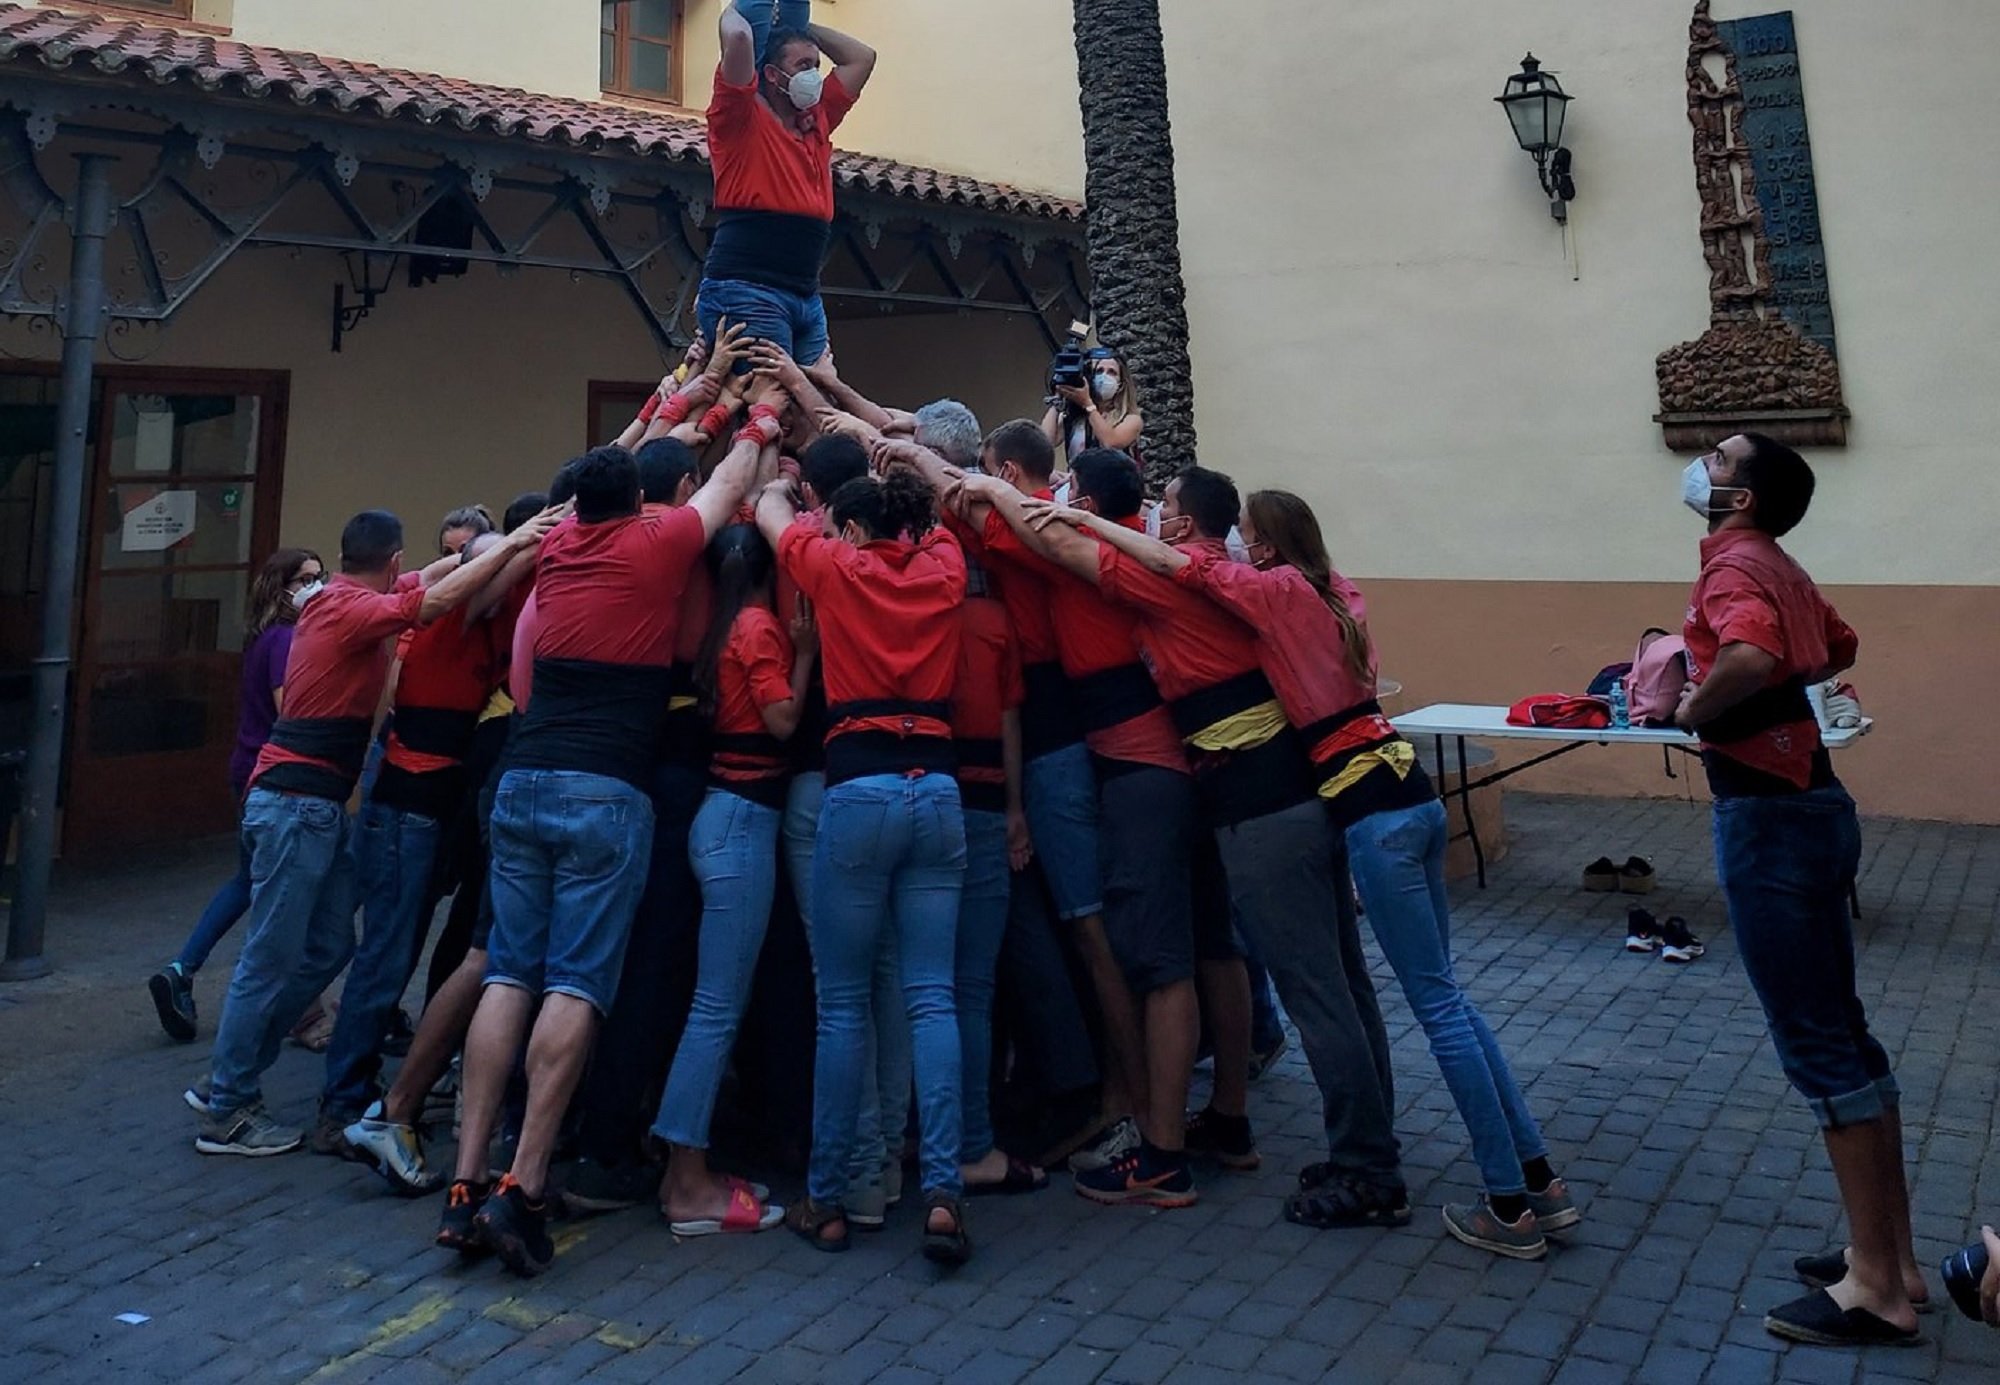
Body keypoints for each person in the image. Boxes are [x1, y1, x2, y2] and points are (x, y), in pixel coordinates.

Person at [1063, 481, 1576, 1252]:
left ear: (1262, 547)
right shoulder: (1337, 590)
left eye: (1242, 534)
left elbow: (1173, 566)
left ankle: (1427, 1180)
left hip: (1349, 806)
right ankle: (1512, 1175)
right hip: (1392, 789)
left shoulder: (1267, 592)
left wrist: (1070, 514)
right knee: (1376, 986)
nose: (1231, 544)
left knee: (1384, 1000)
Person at [976, 460, 1410, 1216]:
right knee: (1337, 978)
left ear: (1182, 525)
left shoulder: (1191, 581)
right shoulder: (1298, 586)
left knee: (1313, 992)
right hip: (1309, 796)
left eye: (1166, 504)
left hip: (1258, 807)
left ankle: (1358, 1167)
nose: (1156, 511)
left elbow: (1070, 545)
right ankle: (1360, 1142)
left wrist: (986, 489)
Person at [445, 397, 773, 1278]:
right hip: (605, 788)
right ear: (641, 506)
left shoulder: (551, 543)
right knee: (580, 983)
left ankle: (466, 1179)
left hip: (521, 774)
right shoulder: (656, 542)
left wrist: (675, 401)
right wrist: (761, 416)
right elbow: (735, 481)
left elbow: (585, 482)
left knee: (511, 969)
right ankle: (529, 1180)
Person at [192, 508, 558, 1157]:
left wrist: (529, 534)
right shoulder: (353, 607)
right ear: (389, 560)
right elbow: (441, 591)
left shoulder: (367, 595)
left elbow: (432, 576)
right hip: (300, 801)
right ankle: (232, 1101)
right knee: (282, 956)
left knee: (333, 943)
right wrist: (521, 542)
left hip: (324, 805)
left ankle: (237, 1062)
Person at [1673, 433, 1920, 1346]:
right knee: (1846, 1032)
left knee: (1817, 1043)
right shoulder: (1776, 558)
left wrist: (1690, 707)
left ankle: (1875, 1289)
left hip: (1769, 820)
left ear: (1737, 497)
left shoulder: (1734, 563)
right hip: (1816, 801)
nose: (1703, 461)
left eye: (1719, 457)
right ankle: (1895, 1258)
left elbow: (1748, 651)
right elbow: (1835, 641)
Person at [925, 448, 1204, 1207]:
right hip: (1109, 748)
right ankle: (1152, 1106)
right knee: (1129, 934)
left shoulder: (1060, 545)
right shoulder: (1102, 541)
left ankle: (1138, 1109)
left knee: (1100, 930)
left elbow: (970, 497)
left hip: (1072, 751)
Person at [754, 465, 971, 1264]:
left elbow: (774, 514)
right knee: (933, 997)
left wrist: (792, 487)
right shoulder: (946, 566)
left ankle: (829, 1197)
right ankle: (944, 1192)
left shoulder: (836, 564)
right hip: (940, 786)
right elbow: (944, 512)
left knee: (842, 1004)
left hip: (858, 787)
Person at [314, 528, 532, 1156]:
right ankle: (343, 1104)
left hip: (422, 813)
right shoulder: (452, 615)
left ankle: (358, 1091)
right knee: (385, 960)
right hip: (406, 812)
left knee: (401, 954)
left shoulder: (473, 616)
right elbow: (468, 579)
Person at [649, 523, 814, 1234]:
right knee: (717, 1007)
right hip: (744, 821)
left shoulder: (721, 625)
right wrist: (804, 655)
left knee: (715, 1001)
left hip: (723, 814)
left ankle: (684, 1158)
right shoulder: (760, 627)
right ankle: (686, 1178)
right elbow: (780, 720)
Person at [148, 547, 323, 1042]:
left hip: (248, 771)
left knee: (250, 881)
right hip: (275, 779)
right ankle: (296, 1010)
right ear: (281, 587)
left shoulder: (263, 637)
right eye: (305, 579)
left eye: (319, 576)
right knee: (284, 895)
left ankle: (182, 969)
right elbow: (293, 709)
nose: (316, 587)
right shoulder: (287, 641)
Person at [698, 1, 877, 367]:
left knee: (816, 405)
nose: (814, 75)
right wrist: (737, 10)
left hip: (804, 295)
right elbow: (738, 35)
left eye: (816, 66)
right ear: (774, 76)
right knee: (771, 401)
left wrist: (802, 29)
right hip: (748, 289)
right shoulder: (740, 118)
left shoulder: (818, 118)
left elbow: (862, 57)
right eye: (803, 66)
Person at [1041, 347, 1142, 468]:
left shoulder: (1131, 419)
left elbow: (1111, 443)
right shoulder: (1076, 418)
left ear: (1121, 384)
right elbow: (1045, 443)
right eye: (1099, 371)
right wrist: (1058, 397)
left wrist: (1087, 403)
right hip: (1078, 484)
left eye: (1112, 372)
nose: (1104, 376)